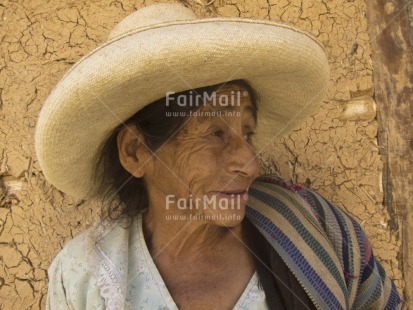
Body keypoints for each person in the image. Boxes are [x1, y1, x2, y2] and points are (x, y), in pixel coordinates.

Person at [35, 3, 401, 309]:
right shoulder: (83, 277)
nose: (250, 163)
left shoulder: (314, 230)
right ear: (136, 152)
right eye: (215, 134)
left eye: (247, 133)